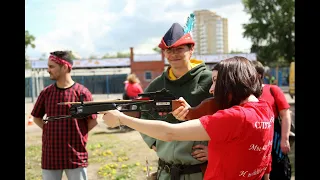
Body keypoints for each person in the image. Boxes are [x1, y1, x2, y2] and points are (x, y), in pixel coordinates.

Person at [102, 56, 274, 180]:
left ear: (230, 81)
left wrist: (122, 119)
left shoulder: (235, 117)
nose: (211, 89)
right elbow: (263, 159)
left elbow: (169, 133)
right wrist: (191, 113)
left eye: (215, 81)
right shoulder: (265, 110)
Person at [129, 14, 213, 180]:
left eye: (179, 49)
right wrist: (154, 142)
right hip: (166, 172)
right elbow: (143, 114)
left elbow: (231, 117)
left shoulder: (211, 80)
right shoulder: (156, 85)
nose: (174, 54)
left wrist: (216, 150)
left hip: (201, 172)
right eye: (169, 50)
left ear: (191, 50)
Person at [30, 50, 98, 180]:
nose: (48, 70)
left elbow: (93, 121)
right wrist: (50, 131)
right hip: (51, 155)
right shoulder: (46, 93)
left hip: (76, 155)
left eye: (51, 66)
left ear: (65, 67)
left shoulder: (82, 93)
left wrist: (77, 133)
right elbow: (37, 117)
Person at [251, 60, 293, 180]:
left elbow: (285, 115)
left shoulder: (272, 90)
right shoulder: (243, 94)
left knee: (278, 171)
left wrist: (284, 140)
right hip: (254, 142)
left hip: (274, 140)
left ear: (259, 75)